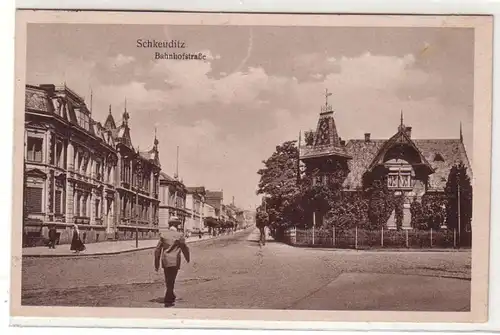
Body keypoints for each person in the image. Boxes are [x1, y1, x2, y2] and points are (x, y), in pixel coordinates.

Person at [154, 223, 190, 307]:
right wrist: (187, 257)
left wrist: (156, 263)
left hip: (165, 260)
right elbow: (184, 247)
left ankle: (171, 294)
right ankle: (168, 296)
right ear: (176, 226)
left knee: (168, 278)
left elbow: (157, 249)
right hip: (175, 260)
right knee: (172, 278)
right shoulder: (179, 235)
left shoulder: (163, 235)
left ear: (169, 225)